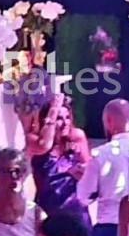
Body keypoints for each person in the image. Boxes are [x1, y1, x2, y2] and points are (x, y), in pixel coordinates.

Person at [77, 99, 129, 236]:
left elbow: (84, 196)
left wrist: (82, 178)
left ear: (108, 120)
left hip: (109, 224)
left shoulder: (101, 154)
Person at [26, 95, 90, 223]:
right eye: (59, 119)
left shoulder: (76, 137)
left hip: (76, 211)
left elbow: (90, 172)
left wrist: (81, 172)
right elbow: (45, 145)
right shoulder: (34, 140)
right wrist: (54, 109)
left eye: (67, 118)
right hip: (48, 213)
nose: (65, 123)